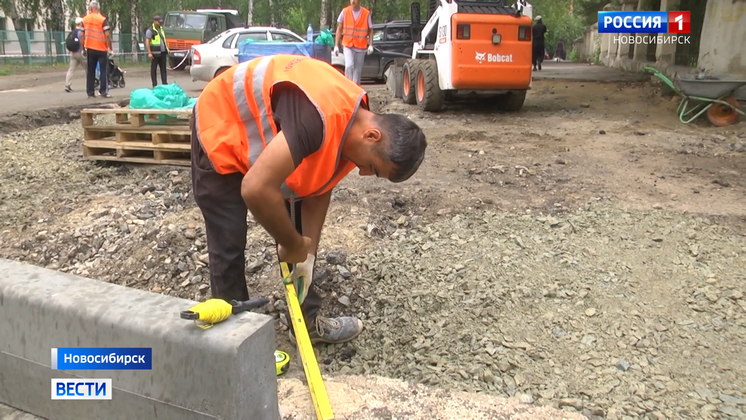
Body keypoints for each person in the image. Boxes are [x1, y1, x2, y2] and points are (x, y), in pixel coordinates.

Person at [190, 54, 427, 345]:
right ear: (373, 135)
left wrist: (306, 254)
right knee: (228, 240)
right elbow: (255, 189)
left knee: (296, 239)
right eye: (374, 169)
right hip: (221, 123)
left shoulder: (354, 129)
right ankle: (235, 341)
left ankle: (307, 322)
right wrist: (290, 242)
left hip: (274, 140)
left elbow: (318, 187)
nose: (365, 174)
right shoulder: (318, 118)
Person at [334, 0, 374, 85]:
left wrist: (370, 45)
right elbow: (339, 29)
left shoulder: (366, 13)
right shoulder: (345, 11)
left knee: (357, 71)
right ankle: (348, 87)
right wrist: (336, 45)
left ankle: (356, 91)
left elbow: (370, 31)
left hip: (361, 46)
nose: (352, 1)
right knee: (349, 66)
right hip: (348, 45)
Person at [82, 1, 112, 98]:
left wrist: (83, 48)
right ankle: (103, 91)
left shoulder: (84, 19)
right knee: (103, 70)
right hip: (101, 48)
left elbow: (82, 35)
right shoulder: (102, 19)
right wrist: (110, 48)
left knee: (91, 71)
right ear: (98, 9)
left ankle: (90, 93)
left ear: (90, 9)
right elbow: (107, 35)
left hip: (90, 48)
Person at [146, 15, 168, 88]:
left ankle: (165, 84)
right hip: (155, 54)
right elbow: (147, 42)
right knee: (154, 70)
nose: (160, 23)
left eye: (160, 22)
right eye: (158, 22)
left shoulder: (161, 29)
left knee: (163, 70)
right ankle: (154, 85)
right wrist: (149, 53)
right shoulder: (150, 30)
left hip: (163, 52)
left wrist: (167, 49)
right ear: (154, 21)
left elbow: (163, 40)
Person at [64, 17, 86, 93]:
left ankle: (67, 85)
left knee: (71, 70)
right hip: (80, 53)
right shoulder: (81, 32)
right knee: (88, 69)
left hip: (73, 53)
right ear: (80, 23)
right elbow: (83, 41)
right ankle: (91, 84)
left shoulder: (72, 32)